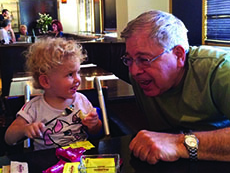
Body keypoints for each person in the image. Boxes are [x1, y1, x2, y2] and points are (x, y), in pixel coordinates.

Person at [120, 10, 230, 164]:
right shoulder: (142, 76)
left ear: (178, 55)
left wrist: (178, 143)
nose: (134, 71)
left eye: (144, 59)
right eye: (129, 59)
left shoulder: (221, 69)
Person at [5, 37, 102, 150]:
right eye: (70, 74)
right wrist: (25, 129)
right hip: (48, 162)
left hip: (80, 158)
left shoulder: (81, 100)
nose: (78, 79)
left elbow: (96, 131)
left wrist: (94, 124)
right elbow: (9, 138)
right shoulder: (34, 108)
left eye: (78, 72)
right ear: (45, 81)